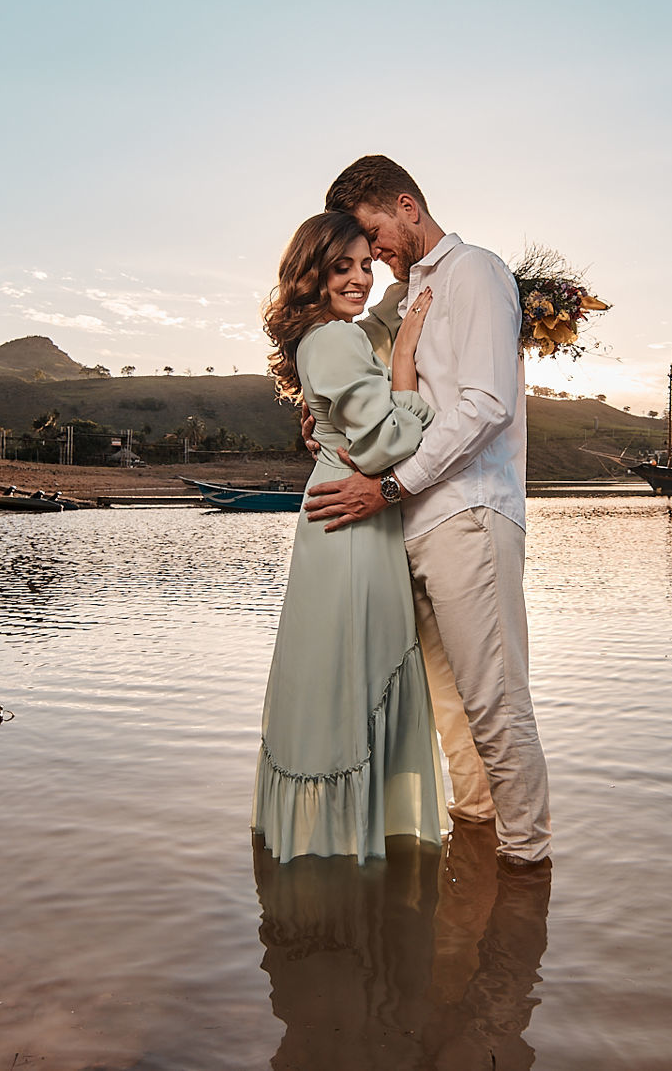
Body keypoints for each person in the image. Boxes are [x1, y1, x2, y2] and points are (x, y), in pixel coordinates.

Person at [304, 155, 552, 867]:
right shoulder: (405, 298)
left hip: (469, 513)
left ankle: (526, 869)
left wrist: (389, 487)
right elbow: (387, 402)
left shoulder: (474, 270)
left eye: (377, 233)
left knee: (496, 705)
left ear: (408, 206)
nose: (374, 253)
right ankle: (476, 852)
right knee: (449, 709)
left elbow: (484, 404)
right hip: (416, 519)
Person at [252, 210, 447, 862]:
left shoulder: (324, 338)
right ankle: (358, 845)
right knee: (358, 672)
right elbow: (392, 438)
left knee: (334, 674)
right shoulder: (334, 341)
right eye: (343, 267)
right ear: (313, 275)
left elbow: (349, 425)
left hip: (336, 514)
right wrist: (408, 369)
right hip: (354, 524)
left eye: (366, 264)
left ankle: (333, 848)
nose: (360, 278)